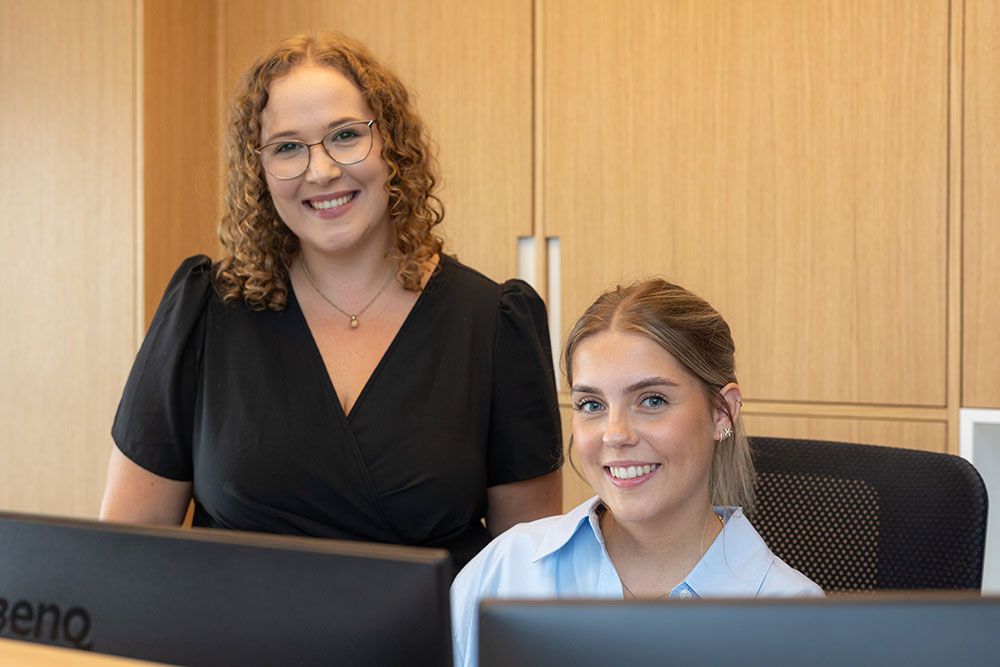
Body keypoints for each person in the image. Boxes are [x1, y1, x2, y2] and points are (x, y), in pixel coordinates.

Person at [100, 33, 562, 570]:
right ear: (260, 172)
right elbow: (126, 553)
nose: (320, 172)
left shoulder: (494, 322)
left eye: (345, 136)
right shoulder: (204, 310)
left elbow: (526, 574)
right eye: (288, 147)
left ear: (393, 145)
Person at [450, 279, 822, 667]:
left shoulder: (794, 618)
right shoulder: (507, 569)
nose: (615, 434)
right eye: (591, 404)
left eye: (652, 400)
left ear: (721, 412)